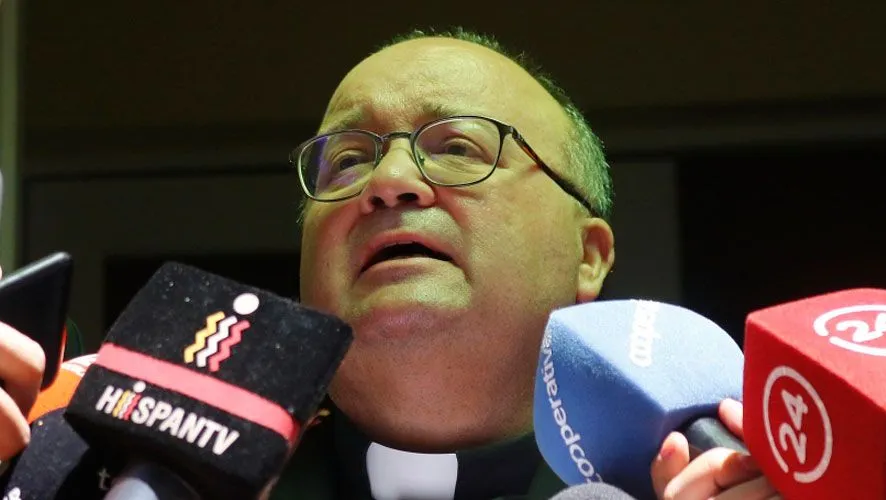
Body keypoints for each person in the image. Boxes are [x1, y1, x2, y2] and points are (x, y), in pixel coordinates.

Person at [0, 28, 778, 499]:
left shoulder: (743, 476)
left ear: (589, 254)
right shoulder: (87, 462)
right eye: (346, 160)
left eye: (460, 147)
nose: (390, 181)